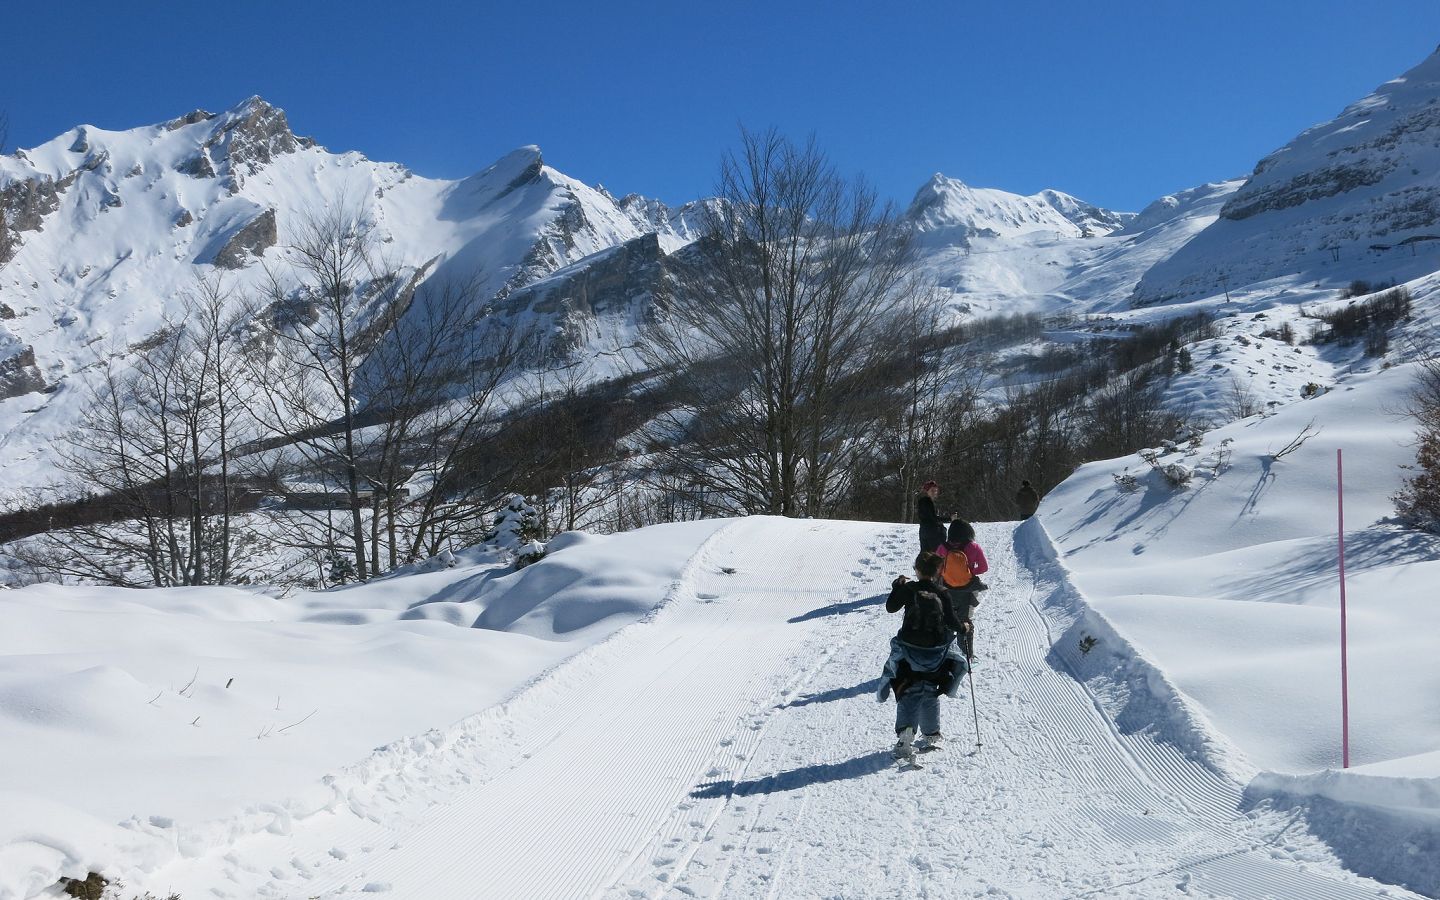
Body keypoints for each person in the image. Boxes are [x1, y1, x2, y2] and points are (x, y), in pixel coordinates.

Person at [877, 552, 969, 761]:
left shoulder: (909, 589)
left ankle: (905, 735)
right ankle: (931, 734)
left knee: (909, 690)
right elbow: (953, 623)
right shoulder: (942, 593)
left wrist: (897, 587)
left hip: (908, 652)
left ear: (916, 570)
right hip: (936, 655)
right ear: (938, 571)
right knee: (930, 690)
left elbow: (891, 608)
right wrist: (965, 627)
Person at [936, 518, 988, 658]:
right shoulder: (974, 547)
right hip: (967, 590)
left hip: (946, 589)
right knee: (964, 621)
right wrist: (969, 572)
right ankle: (966, 655)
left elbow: (936, 568)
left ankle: (944, 653)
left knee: (946, 619)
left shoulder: (942, 547)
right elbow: (984, 567)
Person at [916, 480, 946, 553]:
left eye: (935, 490)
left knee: (925, 555)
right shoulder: (927, 502)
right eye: (932, 490)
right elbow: (933, 518)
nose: (934, 492)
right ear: (927, 491)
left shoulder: (924, 501)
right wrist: (949, 519)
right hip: (932, 532)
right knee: (936, 555)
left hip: (925, 531)